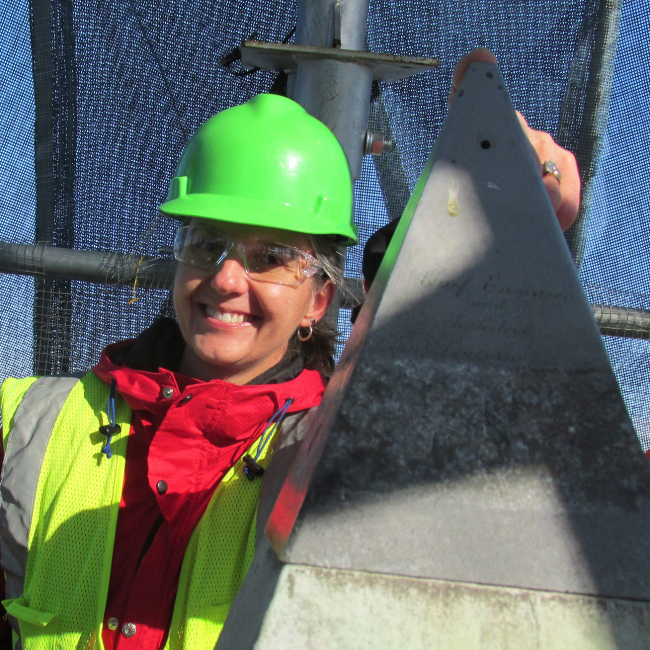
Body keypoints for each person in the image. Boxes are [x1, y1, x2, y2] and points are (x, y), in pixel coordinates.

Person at [0, 51, 579, 650]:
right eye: (207, 242)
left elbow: (473, 483)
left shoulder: (331, 453)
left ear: (317, 302)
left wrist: (475, 235)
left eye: (273, 256)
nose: (226, 279)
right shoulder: (28, 422)